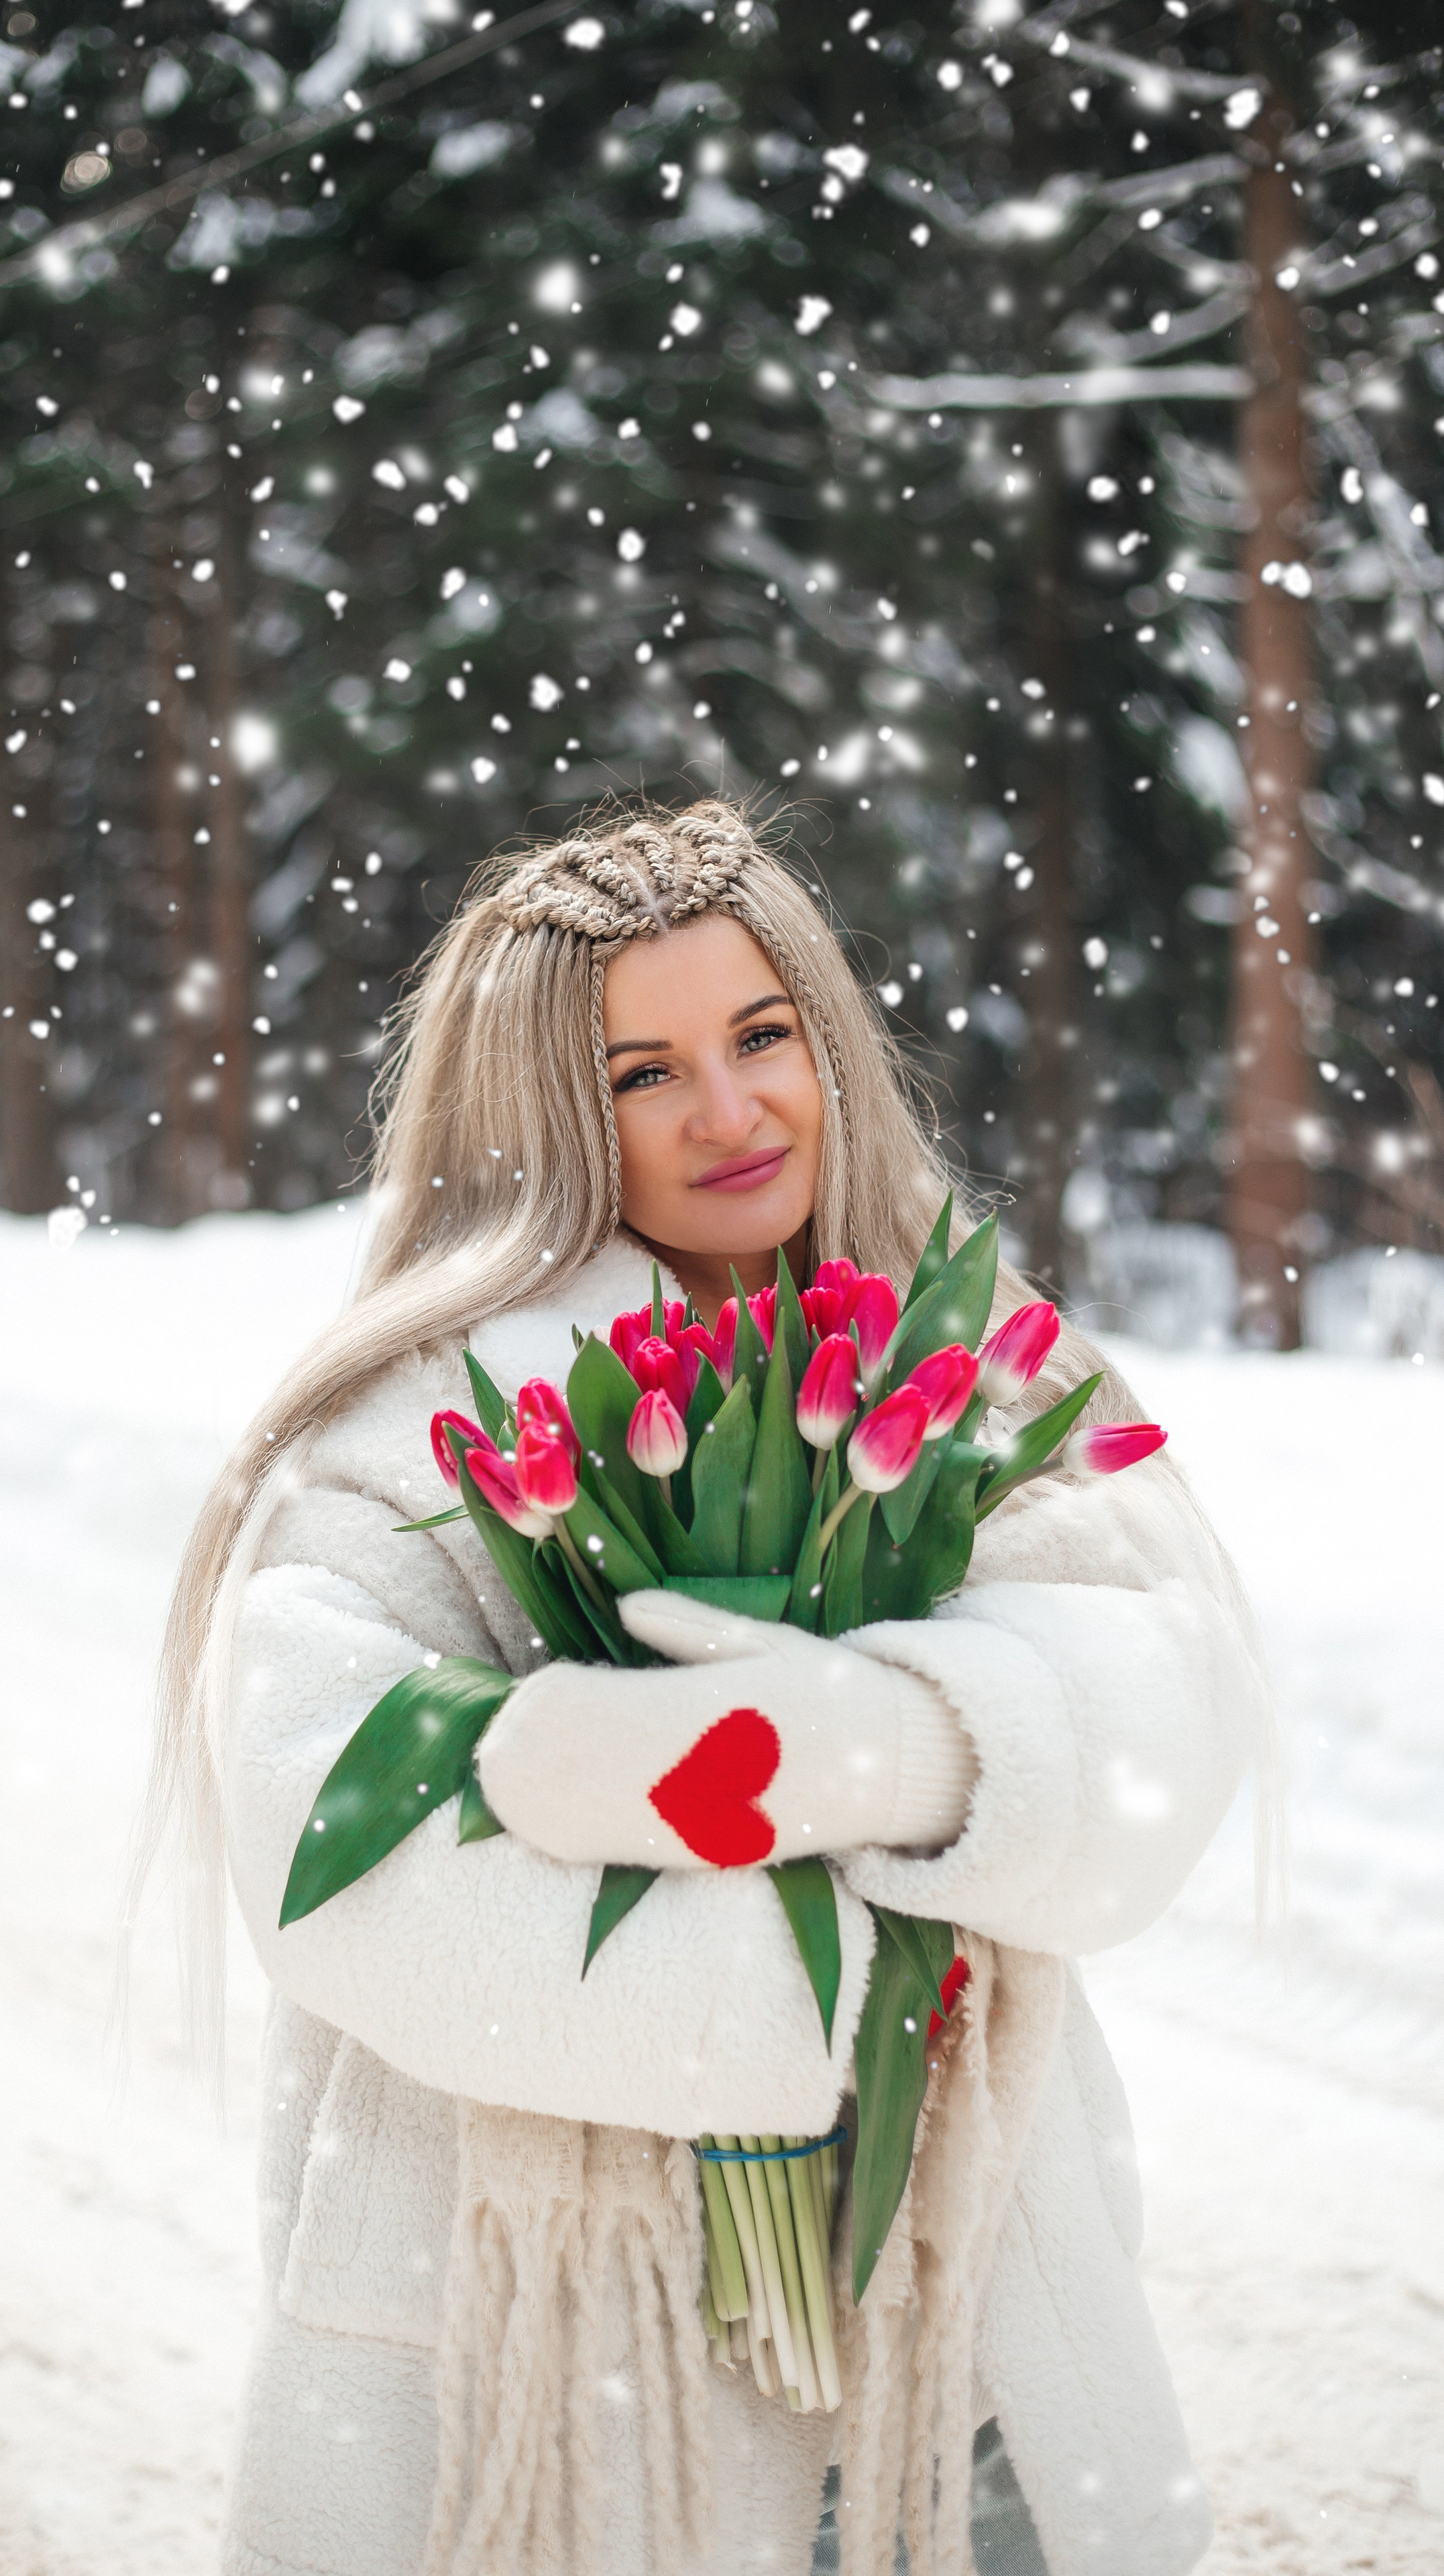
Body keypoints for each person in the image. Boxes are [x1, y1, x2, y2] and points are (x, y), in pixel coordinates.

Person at [145, 800, 1266, 2576]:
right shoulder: (409, 1444)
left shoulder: (961, 1364)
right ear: (542, 1118)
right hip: (547, 2368)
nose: (733, 1113)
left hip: (949, 2313)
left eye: (762, 1036)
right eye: (641, 1072)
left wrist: (891, 1753)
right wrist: (788, 2006)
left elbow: (1160, 1705)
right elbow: (334, 1848)